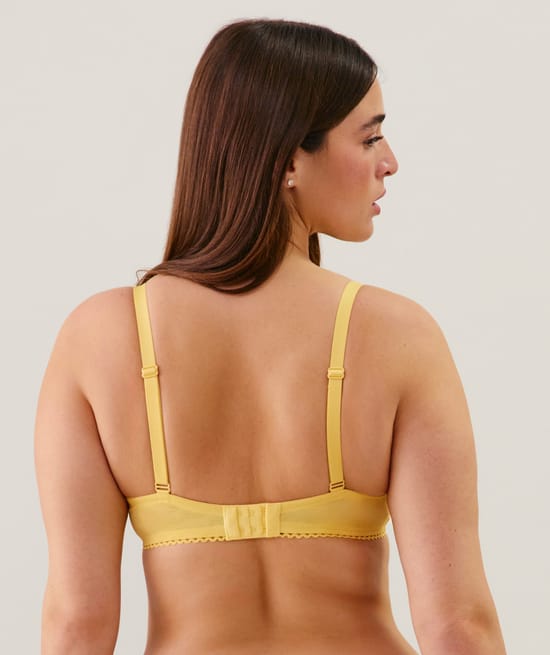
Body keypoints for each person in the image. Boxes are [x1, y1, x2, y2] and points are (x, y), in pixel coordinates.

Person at [34, 18, 507, 655]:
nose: (390, 162)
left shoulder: (99, 339)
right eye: (369, 138)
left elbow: (77, 625)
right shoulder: (398, 335)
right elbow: (458, 627)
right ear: (288, 160)